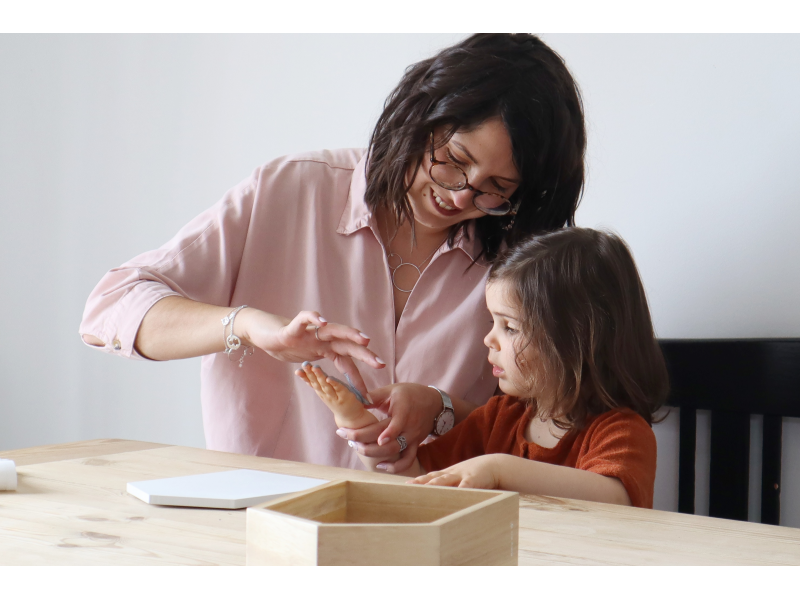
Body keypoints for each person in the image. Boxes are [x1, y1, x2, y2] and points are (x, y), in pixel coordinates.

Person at [79, 34, 586, 471]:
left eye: (494, 187)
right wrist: (252, 328)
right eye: (453, 160)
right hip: (260, 526)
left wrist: (443, 408)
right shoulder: (294, 189)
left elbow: (540, 435)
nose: (460, 197)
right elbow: (110, 308)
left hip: (430, 547)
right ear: (420, 113)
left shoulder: (518, 257)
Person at [299, 228, 669, 508]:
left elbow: (613, 497)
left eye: (509, 327)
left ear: (576, 340)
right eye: (492, 322)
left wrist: (498, 469)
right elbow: (424, 484)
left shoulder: (621, 432)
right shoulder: (498, 419)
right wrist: (364, 430)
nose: (489, 340)